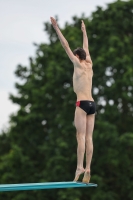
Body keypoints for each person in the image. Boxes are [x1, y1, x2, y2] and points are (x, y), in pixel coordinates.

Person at [50, 17, 96, 183]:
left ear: (77, 56)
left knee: (80, 136)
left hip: (81, 104)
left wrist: (56, 28)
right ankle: (89, 167)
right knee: (89, 137)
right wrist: (84, 31)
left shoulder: (77, 63)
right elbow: (86, 47)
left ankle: (79, 167)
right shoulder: (89, 63)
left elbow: (66, 45)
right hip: (92, 104)